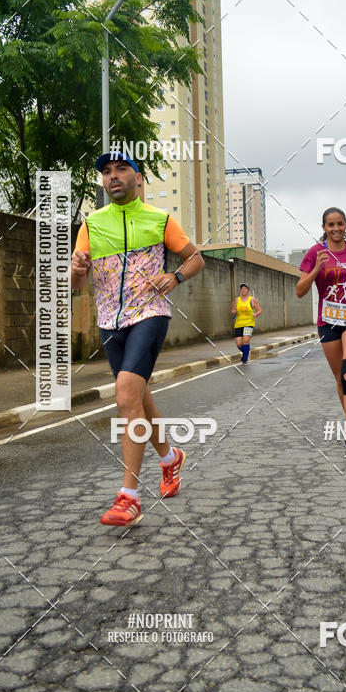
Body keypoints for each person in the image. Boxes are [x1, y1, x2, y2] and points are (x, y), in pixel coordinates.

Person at [70, 153, 205, 527]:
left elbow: (196, 258)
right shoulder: (91, 225)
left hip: (150, 314)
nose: (113, 177)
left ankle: (128, 496)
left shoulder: (159, 219)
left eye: (121, 170)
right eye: (107, 172)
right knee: (139, 397)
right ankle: (169, 458)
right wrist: (77, 270)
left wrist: (175, 277)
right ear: (103, 182)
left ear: (138, 178)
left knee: (127, 395)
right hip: (111, 321)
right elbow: (75, 281)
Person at [296, 207, 346, 460]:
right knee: (340, 379)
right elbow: (300, 290)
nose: (336, 228)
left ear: (345, 225)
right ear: (324, 228)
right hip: (328, 321)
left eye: (339, 224)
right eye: (330, 224)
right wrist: (315, 269)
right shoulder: (314, 253)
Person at [232, 283, 262, 363]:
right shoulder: (237, 300)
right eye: (241, 289)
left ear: (248, 290)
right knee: (239, 344)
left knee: (245, 341)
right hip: (238, 324)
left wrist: (256, 314)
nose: (243, 290)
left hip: (249, 323)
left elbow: (259, 309)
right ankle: (246, 352)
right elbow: (233, 309)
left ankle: (245, 359)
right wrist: (234, 311)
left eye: (245, 289)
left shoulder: (252, 299)